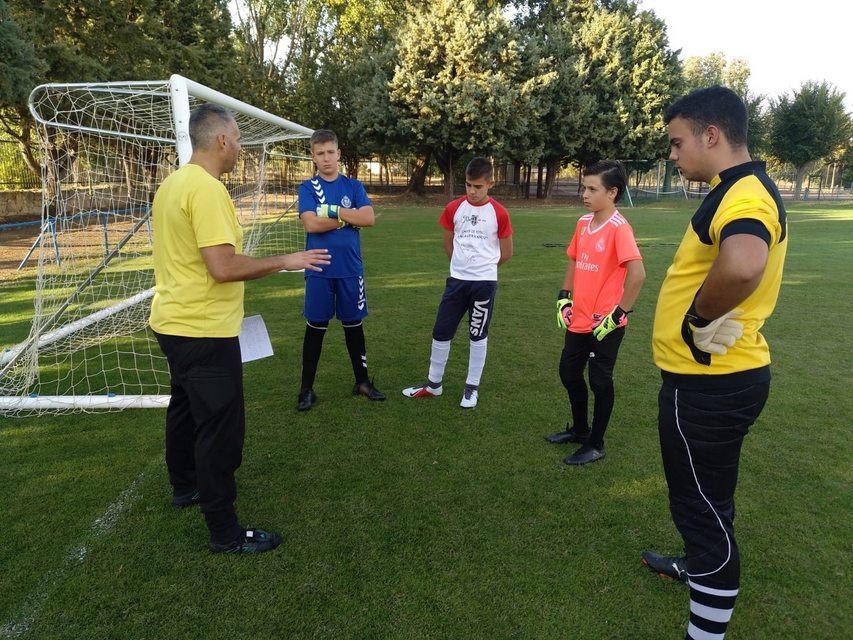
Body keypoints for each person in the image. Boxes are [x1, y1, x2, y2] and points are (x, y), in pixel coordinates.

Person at [149, 103, 330, 554]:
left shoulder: (171, 184)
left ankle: (185, 486)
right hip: (203, 329)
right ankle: (225, 532)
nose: (241, 148)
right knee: (219, 429)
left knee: (185, 410)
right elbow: (222, 267)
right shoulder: (207, 190)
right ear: (223, 140)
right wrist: (287, 260)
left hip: (172, 324)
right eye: (239, 138)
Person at [642, 86, 788, 640]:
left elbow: (746, 262)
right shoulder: (737, 187)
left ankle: (704, 621)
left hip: (708, 386)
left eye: (678, 143)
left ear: (712, 135)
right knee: (710, 501)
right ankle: (698, 565)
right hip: (722, 380)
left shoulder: (745, 192)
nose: (673, 155)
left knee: (701, 516)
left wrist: (696, 318)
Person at [545, 160, 645, 465]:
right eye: (583, 187)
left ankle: (597, 444)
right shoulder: (582, 223)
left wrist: (618, 314)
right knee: (569, 373)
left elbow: (638, 275)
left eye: (592, 189)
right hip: (580, 317)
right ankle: (579, 430)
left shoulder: (619, 228)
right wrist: (564, 297)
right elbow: (574, 260)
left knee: (600, 381)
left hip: (605, 322)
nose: (584, 194)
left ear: (612, 192)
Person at [401, 157, 513, 408]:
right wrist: (462, 267)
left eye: (478, 186)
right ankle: (433, 385)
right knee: (441, 331)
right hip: (456, 282)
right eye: (468, 185)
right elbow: (448, 244)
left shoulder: (499, 212)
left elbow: (506, 252)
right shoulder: (453, 208)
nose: (472, 191)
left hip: (483, 284)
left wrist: (482, 270)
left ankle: (471, 387)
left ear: (490, 184)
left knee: (477, 334)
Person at [295, 129, 385, 411]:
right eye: (320, 153)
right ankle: (306, 389)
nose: (326, 158)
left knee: (354, 327)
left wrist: (332, 211)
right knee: (315, 328)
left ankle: (362, 382)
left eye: (330, 152)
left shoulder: (353, 186)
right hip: (319, 267)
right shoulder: (308, 187)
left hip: (350, 269)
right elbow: (311, 224)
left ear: (338, 153)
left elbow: (368, 218)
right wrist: (349, 218)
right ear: (313, 156)